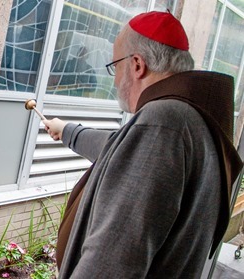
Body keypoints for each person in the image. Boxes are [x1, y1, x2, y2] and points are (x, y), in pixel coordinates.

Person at [43, 11, 243, 278]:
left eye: (116, 66)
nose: (115, 80)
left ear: (137, 64)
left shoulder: (163, 122)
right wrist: (68, 131)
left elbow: (112, 261)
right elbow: (117, 149)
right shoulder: (191, 120)